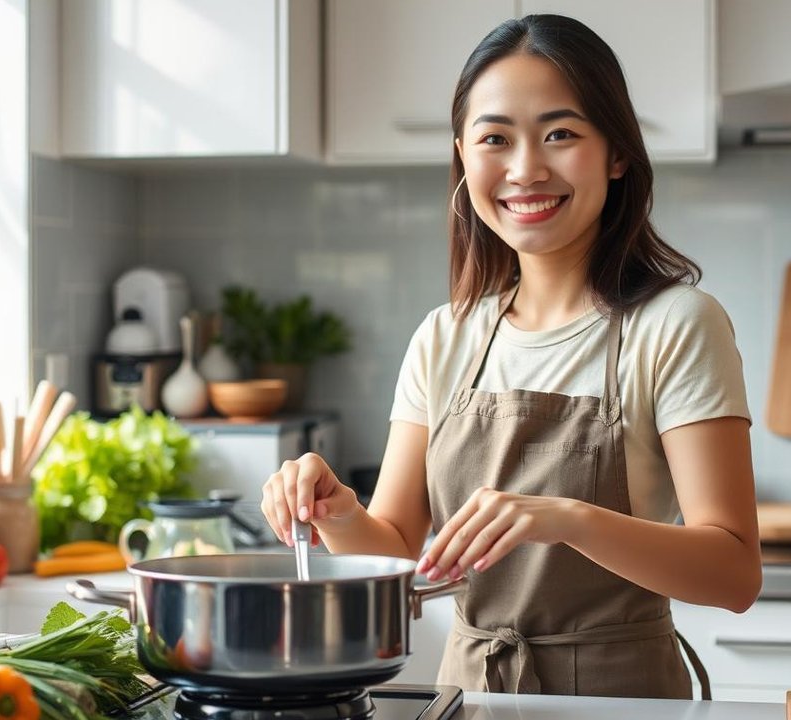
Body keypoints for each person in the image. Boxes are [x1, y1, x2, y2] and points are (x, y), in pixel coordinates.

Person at [261, 13, 760, 699]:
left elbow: (734, 574)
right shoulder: (445, 337)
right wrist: (337, 512)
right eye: (495, 138)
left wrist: (567, 517)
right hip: (470, 694)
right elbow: (399, 551)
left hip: (622, 700)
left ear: (616, 153)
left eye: (560, 134)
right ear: (464, 155)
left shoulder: (676, 325)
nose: (526, 168)